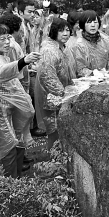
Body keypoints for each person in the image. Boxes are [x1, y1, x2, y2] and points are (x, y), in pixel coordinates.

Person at [0, 24, 41, 178]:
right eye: (2, 39)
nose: (7, 42)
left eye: (8, 38)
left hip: (11, 108)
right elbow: (1, 73)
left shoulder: (1, 56)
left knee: (17, 142)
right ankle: (10, 183)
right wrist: (23, 61)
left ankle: (17, 178)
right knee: (8, 147)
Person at [35, 18, 73, 150]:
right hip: (53, 98)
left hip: (60, 96)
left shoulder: (59, 47)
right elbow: (48, 78)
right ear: (53, 32)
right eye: (61, 30)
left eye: (67, 30)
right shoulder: (50, 50)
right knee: (54, 132)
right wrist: (66, 94)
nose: (65, 33)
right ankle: (54, 163)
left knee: (60, 131)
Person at [70, 10, 109, 77]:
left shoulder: (105, 40)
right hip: (86, 82)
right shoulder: (78, 44)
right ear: (83, 24)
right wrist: (95, 74)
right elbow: (79, 68)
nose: (93, 25)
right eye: (89, 22)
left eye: (95, 22)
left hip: (106, 79)